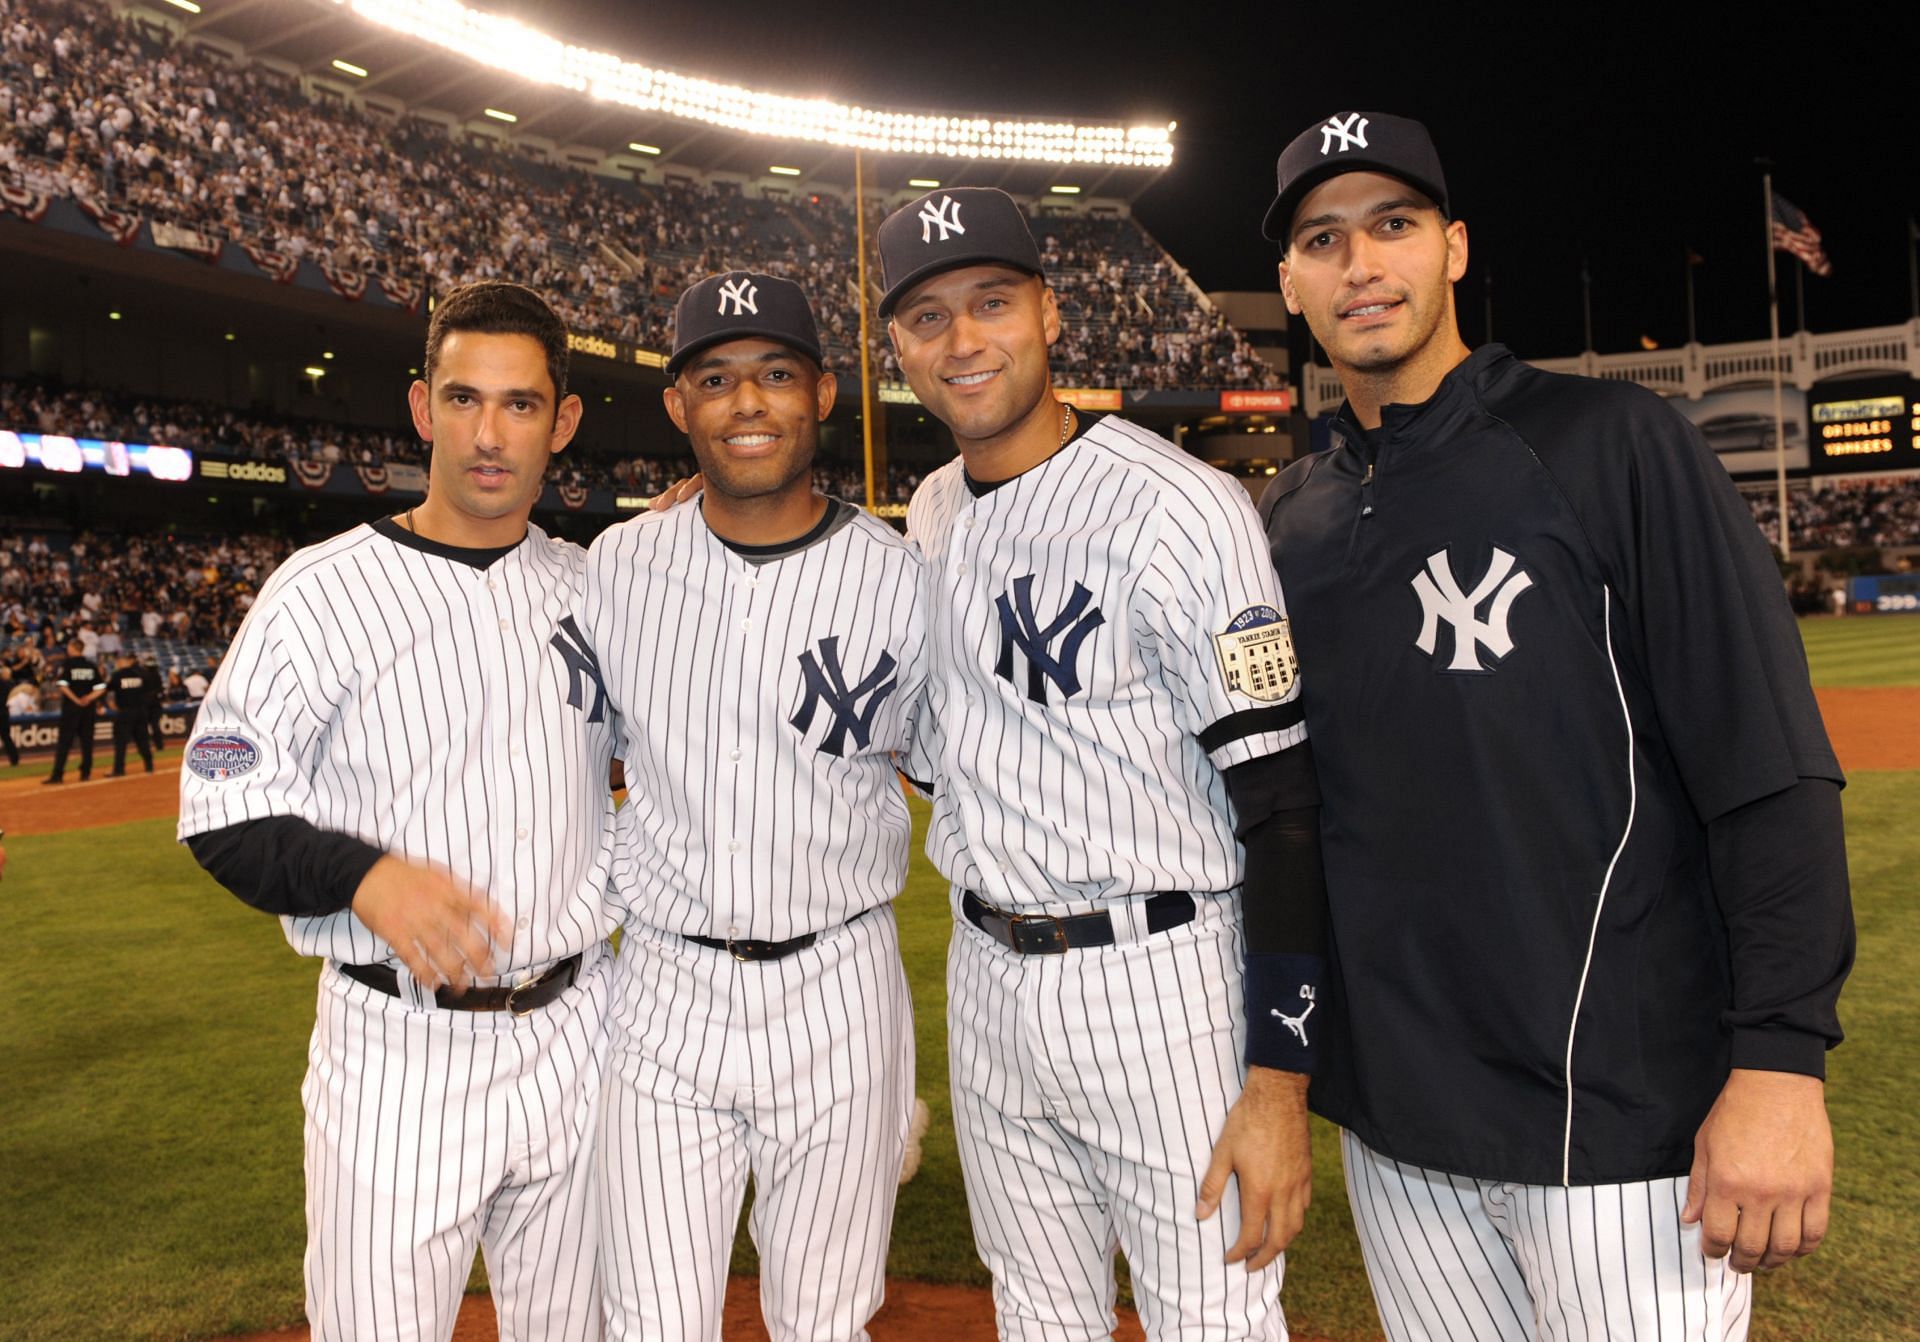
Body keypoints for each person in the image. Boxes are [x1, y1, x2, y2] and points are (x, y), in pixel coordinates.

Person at [1257, 112, 1853, 1339]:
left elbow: (1769, 771)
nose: (1361, 264)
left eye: (1394, 226)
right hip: (1400, 1133)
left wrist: (1782, 1062)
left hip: (1623, 1128)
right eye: (1323, 239)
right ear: (1288, 281)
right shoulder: (1288, 522)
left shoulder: (1609, 444)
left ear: (1455, 247)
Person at [880, 187, 1328, 1340]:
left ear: (1050, 313)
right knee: (1038, 1314)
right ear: (895, 349)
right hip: (987, 975)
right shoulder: (929, 509)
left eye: (990, 302)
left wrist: (1279, 1082)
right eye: (928, 318)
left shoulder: (1182, 506)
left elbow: (1281, 802)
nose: (963, 341)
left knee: (1212, 1318)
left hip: (1161, 978)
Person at [178, 281, 621, 1342]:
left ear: (560, 424)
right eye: (464, 399)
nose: (487, 433)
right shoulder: (320, 591)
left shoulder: (600, 588)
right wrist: (366, 875)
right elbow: (220, 809)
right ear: (422, 408)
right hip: (398, 1051)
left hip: (579, 1033)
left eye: (520, 405)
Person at [585, 271, 926, 1340]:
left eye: (776, 374)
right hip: (664, 989)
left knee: (824, 1318)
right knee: (651, 1318)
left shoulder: (902, 577)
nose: (747, 403)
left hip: (839, 981)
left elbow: (956, 765)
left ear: (822, 394)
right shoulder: (615, 568)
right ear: (679, 404)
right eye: (717, 378)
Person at [44, 636, 105, 784]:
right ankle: (85, 772)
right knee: (87, 742)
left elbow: (63, 686)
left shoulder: (68, 665)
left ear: (73, 648)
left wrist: (77, 699)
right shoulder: (91, 666)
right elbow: (101, 688)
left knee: (65, 742)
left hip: (72, 709)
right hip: (88, 709)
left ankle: (58, 774)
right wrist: (88, 698)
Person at [107, 649, 155, 775]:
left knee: (121, 742)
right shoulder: (139, 674)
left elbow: (107, 688)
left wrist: (110, 703)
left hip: (125, 712)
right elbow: (148, 690)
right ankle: (149, 765)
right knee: (143, 740)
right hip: (140, 711)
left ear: (122, 662)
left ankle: (119, 769)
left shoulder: (118, 675)